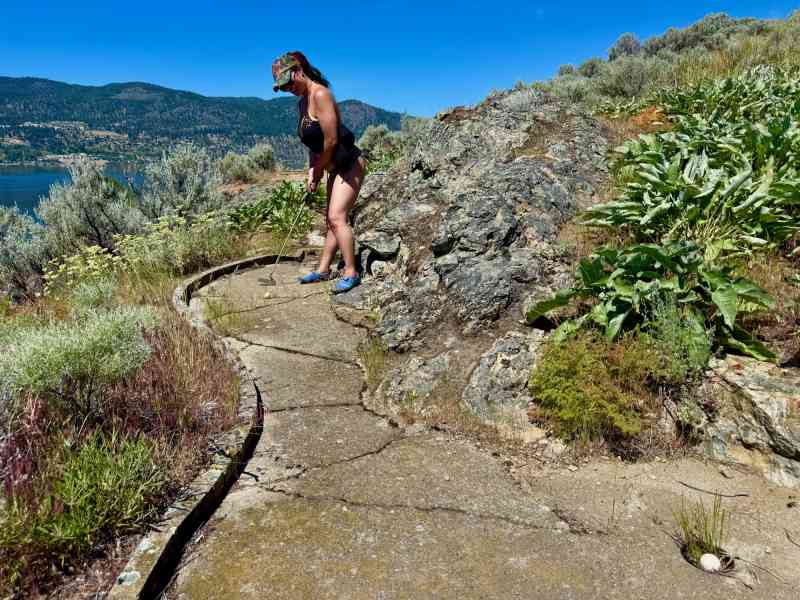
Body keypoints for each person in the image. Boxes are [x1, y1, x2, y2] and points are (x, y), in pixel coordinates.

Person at [272, 51, 366, 293]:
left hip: (350, 164)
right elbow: (313, 142)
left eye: (289, 83)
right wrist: (312, 169)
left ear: (299, 72)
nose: (287, 89)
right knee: (331, 220)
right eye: (283, 87)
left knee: (337, 218)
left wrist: (318, 169)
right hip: (332, 167)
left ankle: (351, 272)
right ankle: (323, 269)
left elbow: (332, 140)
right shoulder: (302, 101)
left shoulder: (321, 94)